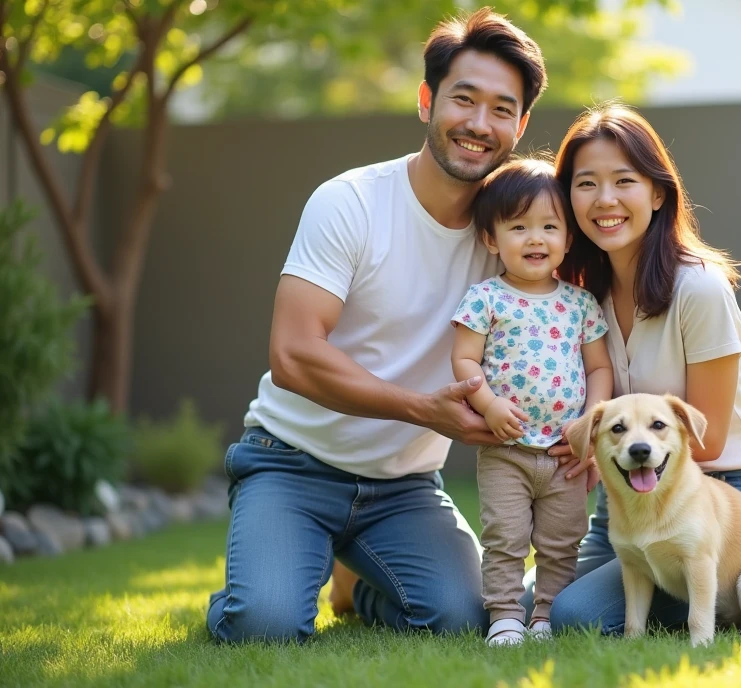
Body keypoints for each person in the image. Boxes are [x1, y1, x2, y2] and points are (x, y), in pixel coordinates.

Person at [206, 8, 548, 644]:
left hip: (403, 487)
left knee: (467, 619)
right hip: (292, 463)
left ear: (520, 125)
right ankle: (256, 585)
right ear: (426, 101)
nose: (479, 125)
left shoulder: (514, 236)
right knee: (265, 624)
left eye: (502, 109)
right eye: (463, 100)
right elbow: (293, 354)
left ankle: (355, 586)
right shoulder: (351, 202)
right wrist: (422, 410)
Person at [539, 102, 741, 635]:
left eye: (623, 181)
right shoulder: (586, 299)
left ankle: (723, 607)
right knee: (523, 607)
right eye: (585, 184)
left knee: (575, 617)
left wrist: (610, 448)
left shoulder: (698, 290)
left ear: (657, 193)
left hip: (728, 494)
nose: (604, 200)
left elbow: (711, 439)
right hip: (631, 494)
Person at [450, 158, 613, 645]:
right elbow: (464, 361)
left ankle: (545, 615)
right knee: (505, 537)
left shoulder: (580, 302)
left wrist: (591, 420)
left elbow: (599, 368)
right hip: (507, 449)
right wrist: (488, 405)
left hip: (565, 453)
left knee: (563, 542)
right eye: (518, 227)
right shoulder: (486, 299)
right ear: (491, 239)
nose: (535, 239)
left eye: (549, 226)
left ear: (568, 238)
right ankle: (504, 614)